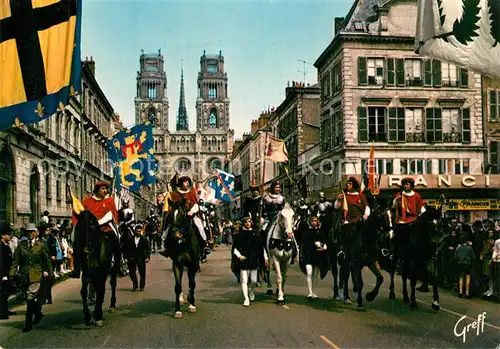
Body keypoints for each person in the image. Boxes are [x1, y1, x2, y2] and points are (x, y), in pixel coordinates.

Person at [10, 223, 53, 333]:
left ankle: (28, 323)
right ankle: (38, 313)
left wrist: (50, 272)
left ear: (35, 232)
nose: (29, 234)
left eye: (31, 232)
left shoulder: (41, 245)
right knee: (30, 298)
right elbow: (16, 261)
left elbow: (46, 260)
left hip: (36, 275)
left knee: (30, 298)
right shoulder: (21, 245)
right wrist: (12, 274)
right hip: (24, 276)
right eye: (27, 232)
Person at [232, 216, 269, 307]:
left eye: (249, 222)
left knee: (253, 280)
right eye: (246, 222)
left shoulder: (256, 234)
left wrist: (265, 257)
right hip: (243, 260)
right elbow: (235, 248)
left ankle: (251, 290)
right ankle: (246, 299)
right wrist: (239, 256)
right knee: (244, 280)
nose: (248, 223)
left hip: (253, 259)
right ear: (243, 224)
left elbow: (261, 247)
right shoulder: (238, 235)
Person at [300, 215, 328, 299]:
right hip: (308, 256)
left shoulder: (320, 232)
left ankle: (313, 291)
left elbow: (325, 242)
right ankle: (310, 292)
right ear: (310, 221)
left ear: (317, 221)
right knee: (309, 273)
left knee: (315, 275)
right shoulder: (306, 232)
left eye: (315, 221)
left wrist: (324, 246)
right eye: (312, 221)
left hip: (317, 256)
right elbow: (303, 244)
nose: (314, 222)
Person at [123, 222, 150, 291]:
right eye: (137, 231)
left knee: (142, 273)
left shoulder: (144, 239)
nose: (138, 232)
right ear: (135, 231)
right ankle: (135, 285)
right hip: (132, 258)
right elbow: (125, 249)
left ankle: (142, 286)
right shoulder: (130, 239)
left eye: (139, 231)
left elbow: (147, 249)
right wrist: (125, 257)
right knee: (131, 272)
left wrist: (147, 257)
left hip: (141, 258)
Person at [1, 227, 15, 319]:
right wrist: (3, 275)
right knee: (2, 293)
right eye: (8, 234)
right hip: (3, 274)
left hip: (7, 272)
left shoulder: (6, 245)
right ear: (2, 235)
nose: (9, 236)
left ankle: (5, 310)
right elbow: (1, 262)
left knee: (6, 293)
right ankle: (1, 312)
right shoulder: (1, 247)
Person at [455, 233, 475, 298]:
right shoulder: (469, 248)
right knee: (468, 278)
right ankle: (467, 293)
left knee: (461, 277)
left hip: (460, 263)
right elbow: (473, 257)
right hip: (467, 263)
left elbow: (456, 257)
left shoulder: (458, 248)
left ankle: (460, 292)